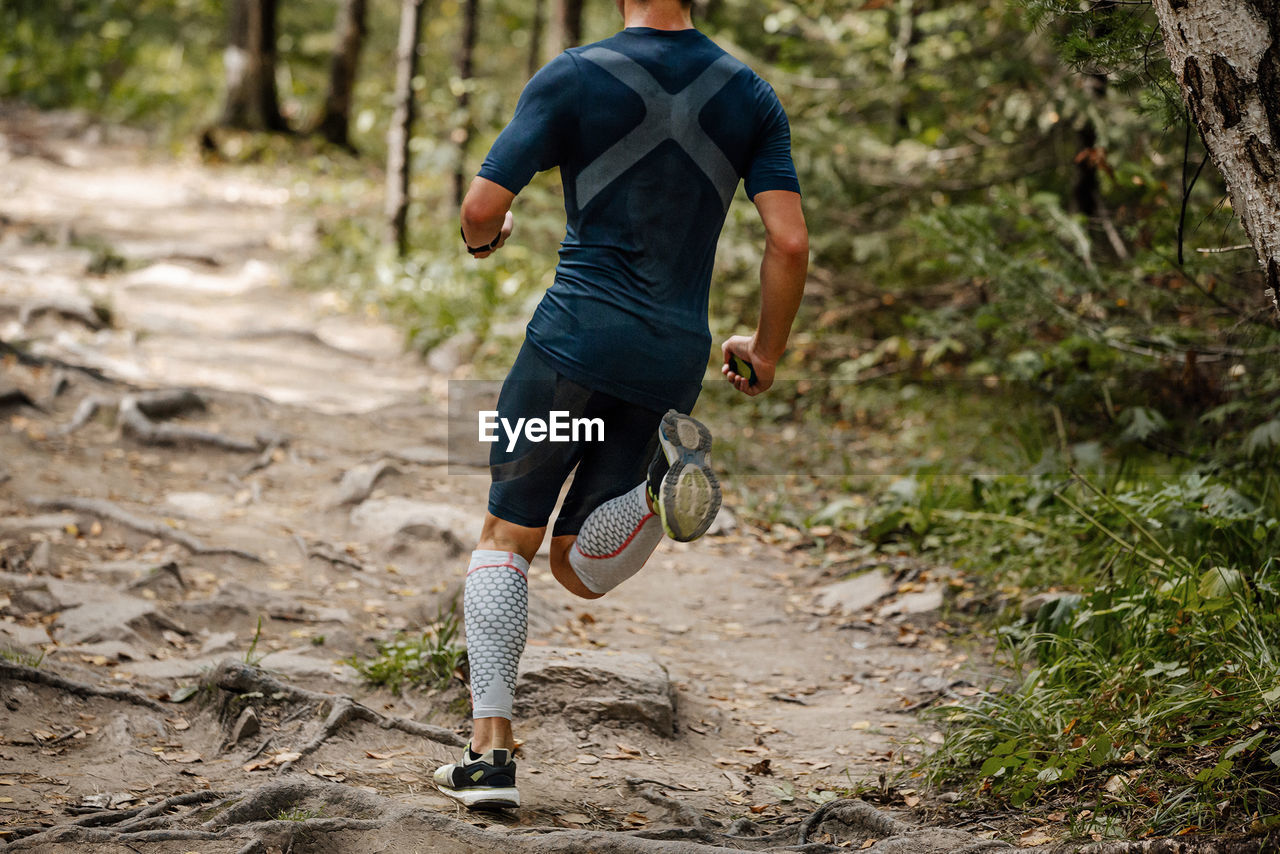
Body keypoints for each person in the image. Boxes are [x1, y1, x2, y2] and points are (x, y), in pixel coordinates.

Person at [433, 0, 809, 809]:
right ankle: (653, 491)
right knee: (578, 565)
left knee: (509, 537)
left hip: (571, 345)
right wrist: (766, 351)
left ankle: (491, 755)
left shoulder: (573, 74)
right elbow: (790, 242)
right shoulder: (750, 92)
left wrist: (481, 244)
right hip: (672, 360)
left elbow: (480, 209)